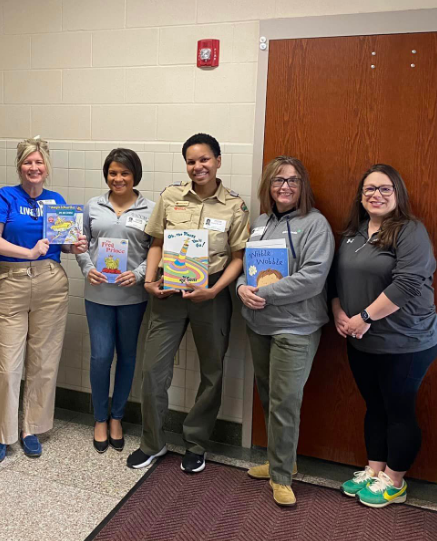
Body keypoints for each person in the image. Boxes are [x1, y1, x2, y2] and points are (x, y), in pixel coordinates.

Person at [127, 133, 250, 473]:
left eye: (205, 159)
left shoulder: (234, 206)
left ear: (218, 160)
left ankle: (196, 443)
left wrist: (215, 291)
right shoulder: (171, 197)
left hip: (211, 292)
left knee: (212, 371)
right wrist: (150, 280)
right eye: (192, 161)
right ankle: (152, 442)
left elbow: (239, 257)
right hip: (169, 291)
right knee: (153, 370)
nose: (198, 166)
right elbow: (156, 242)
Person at [332, 164, 437, 508]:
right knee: (374, 406)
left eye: (385, 189)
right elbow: (335, 281)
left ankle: (395, 480)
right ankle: (375, 469)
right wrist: (339, 313)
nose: (376, 195)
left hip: (406, 341)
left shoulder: (411, 231)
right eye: (369, 190)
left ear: (398, 194)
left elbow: (408, 283)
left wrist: (364, 317)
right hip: (361, 339)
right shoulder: (353, 233)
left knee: (399, 409)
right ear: (361, 197)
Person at [236, 157, 334, 506]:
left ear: (302, 185)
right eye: (278, 181)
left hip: (297, 327)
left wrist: (261, 293)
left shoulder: (316, 225)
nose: (285, 187)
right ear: (269, 186)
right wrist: (241, 288)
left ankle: (281, 477)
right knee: (269, 395)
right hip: (259, 325)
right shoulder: (261, 223)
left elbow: (312, 279)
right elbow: (246, 267)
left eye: (293, 181)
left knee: (285, 401)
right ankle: (283, 460)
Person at [0, 137, 87, 463]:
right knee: (8, 365)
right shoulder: (5, 197)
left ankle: (31, 428)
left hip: (50, 282)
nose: (34, 167)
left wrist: (75, 245)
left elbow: (64, 245)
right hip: (11, 281)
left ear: (46, 167)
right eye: (28, 162)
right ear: (20, 165)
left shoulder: (56, 201)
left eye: (39, 162)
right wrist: (26, 252)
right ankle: (4, 434)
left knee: (43, 362)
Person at [75, 148, 154, 453]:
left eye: (124, 173)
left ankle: (117, 417)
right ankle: (99, 418)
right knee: (101, 356)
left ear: (135, 175)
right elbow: (79, 241)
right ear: (106, 175)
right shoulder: (93, 205)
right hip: (98, 294)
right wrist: (88, 268)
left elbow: (155, 250)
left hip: (133, 295)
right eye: (113, 173)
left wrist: (137, 274)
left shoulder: (150, 208)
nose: (118, 178)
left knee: (128, 356)